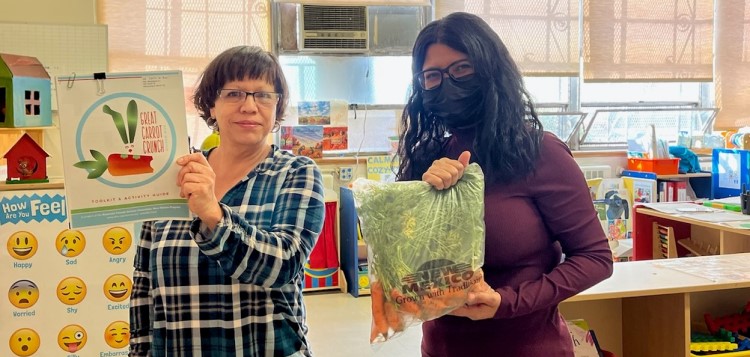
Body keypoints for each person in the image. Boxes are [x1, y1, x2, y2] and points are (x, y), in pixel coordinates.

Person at [395, 12, 614, 356]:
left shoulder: (539, 152)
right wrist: (423, 199)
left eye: (462, 69)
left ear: (490, 70)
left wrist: (507, 302)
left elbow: (595, 257)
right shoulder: (426, 157)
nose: (447, 83)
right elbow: (403, 265)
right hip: (441, 348)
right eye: (432, 76)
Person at [129, 45, 326, 356]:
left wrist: (213, 214)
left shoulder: (296, 172)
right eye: (234, 93)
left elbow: (283, 265)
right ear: (211, 106)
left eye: (263, 95)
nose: (249, 106)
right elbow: (144, 284)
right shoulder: (176, 173)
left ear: (277, 107)